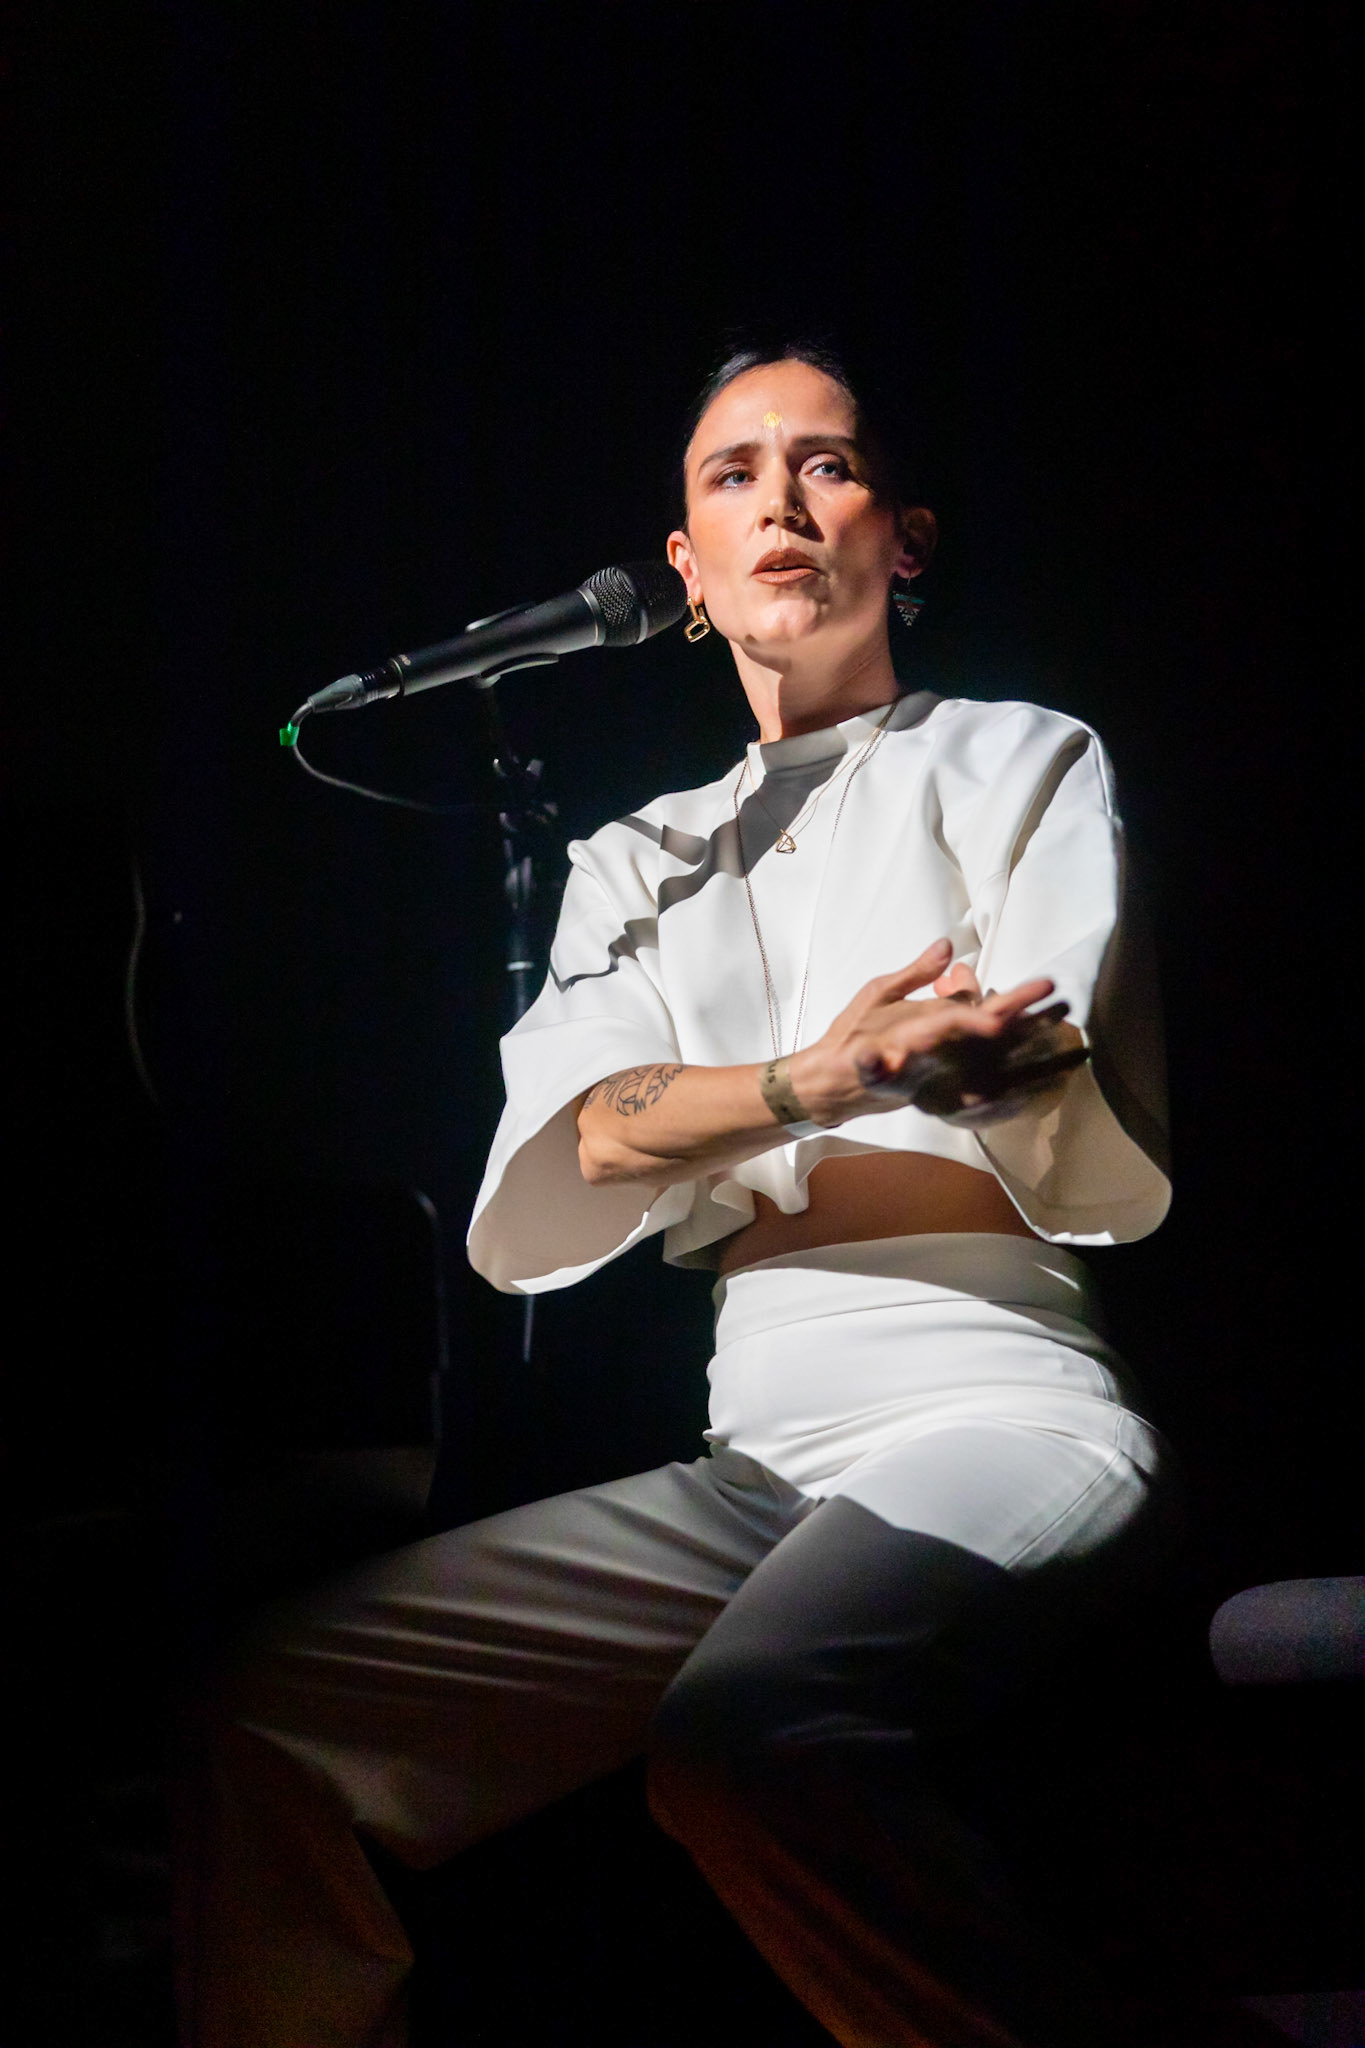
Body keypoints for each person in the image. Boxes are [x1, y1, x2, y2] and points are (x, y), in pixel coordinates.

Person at [175, 343, 1178, 2048]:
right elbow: (581, 1140)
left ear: (904, 541)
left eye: (827, 467)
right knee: (266, 1712)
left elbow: (1028, 1046)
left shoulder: (1017, 757)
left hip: (990, 1402)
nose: (780, 501)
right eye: (733, 476)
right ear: (686, 579)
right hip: (751, 1465)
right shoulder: (631, 862)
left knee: (754, 1740)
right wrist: (821, 1076)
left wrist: (963, 1068)